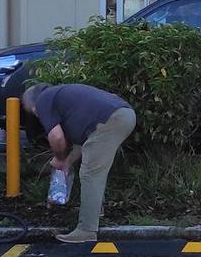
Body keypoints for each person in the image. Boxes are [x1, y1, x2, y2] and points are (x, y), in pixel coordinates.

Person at [21, 82, 137, 244]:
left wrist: (59, 158)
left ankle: (87, 230)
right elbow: (82, 145)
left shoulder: (43, 100)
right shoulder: (65, 98)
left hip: (111, 119)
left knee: (91, 173)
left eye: (35, 113)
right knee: (94, 166)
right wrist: (67, 162)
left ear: (33, 106)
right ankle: (96, 211)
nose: (39, 116)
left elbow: (57, 138)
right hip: (122, 115)